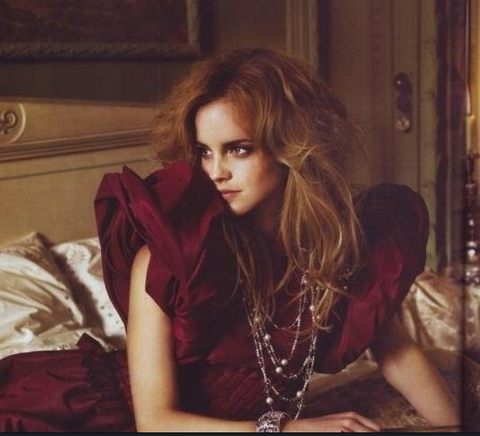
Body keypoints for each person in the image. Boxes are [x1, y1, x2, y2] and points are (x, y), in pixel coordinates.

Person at [94, 48, 460, 432]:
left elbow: (398, 354)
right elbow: (154, 423)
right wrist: (282, 430)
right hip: (110, 418)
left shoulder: (334, 247)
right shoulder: (168, 259)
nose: (216, 171)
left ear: (289, 147)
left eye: (238, 149)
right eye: (204, 152)